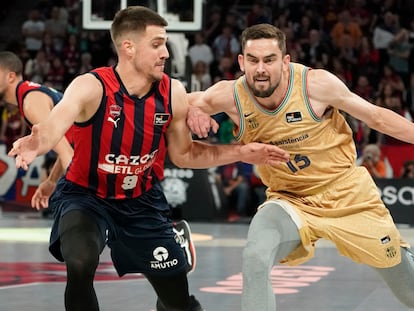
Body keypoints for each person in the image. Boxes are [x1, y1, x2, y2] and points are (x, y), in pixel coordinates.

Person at [8, 9, 289, 311]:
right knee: (80, 261)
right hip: (85, 196)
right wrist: (39, 141)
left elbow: (185, 155)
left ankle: (173, 241)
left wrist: (242, 152)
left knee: (177, 302)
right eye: (156, 44)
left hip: (141, 201)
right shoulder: (91, 86)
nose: (165, 53)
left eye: (165, 44)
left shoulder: (173, 93)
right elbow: (55, 123)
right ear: (128, 47)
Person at [187, 23, 414, 311]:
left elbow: (377, 118)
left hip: (347, 194)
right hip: (290, 199)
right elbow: (177, 103)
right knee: (255, 256)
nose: (260, 69)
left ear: (285, 61)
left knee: (407, 289)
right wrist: (193, 110)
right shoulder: (229, 95)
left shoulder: (315, 85)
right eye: (253, 60)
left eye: (269, 60)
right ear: (242, 62)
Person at [0, 50, 74, 209]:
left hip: (107, 147)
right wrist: (52, 181)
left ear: (10, 76)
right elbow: (71, 145)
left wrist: (85, 201)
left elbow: (68, 153)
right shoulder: (29, 94)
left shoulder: (30, 102)